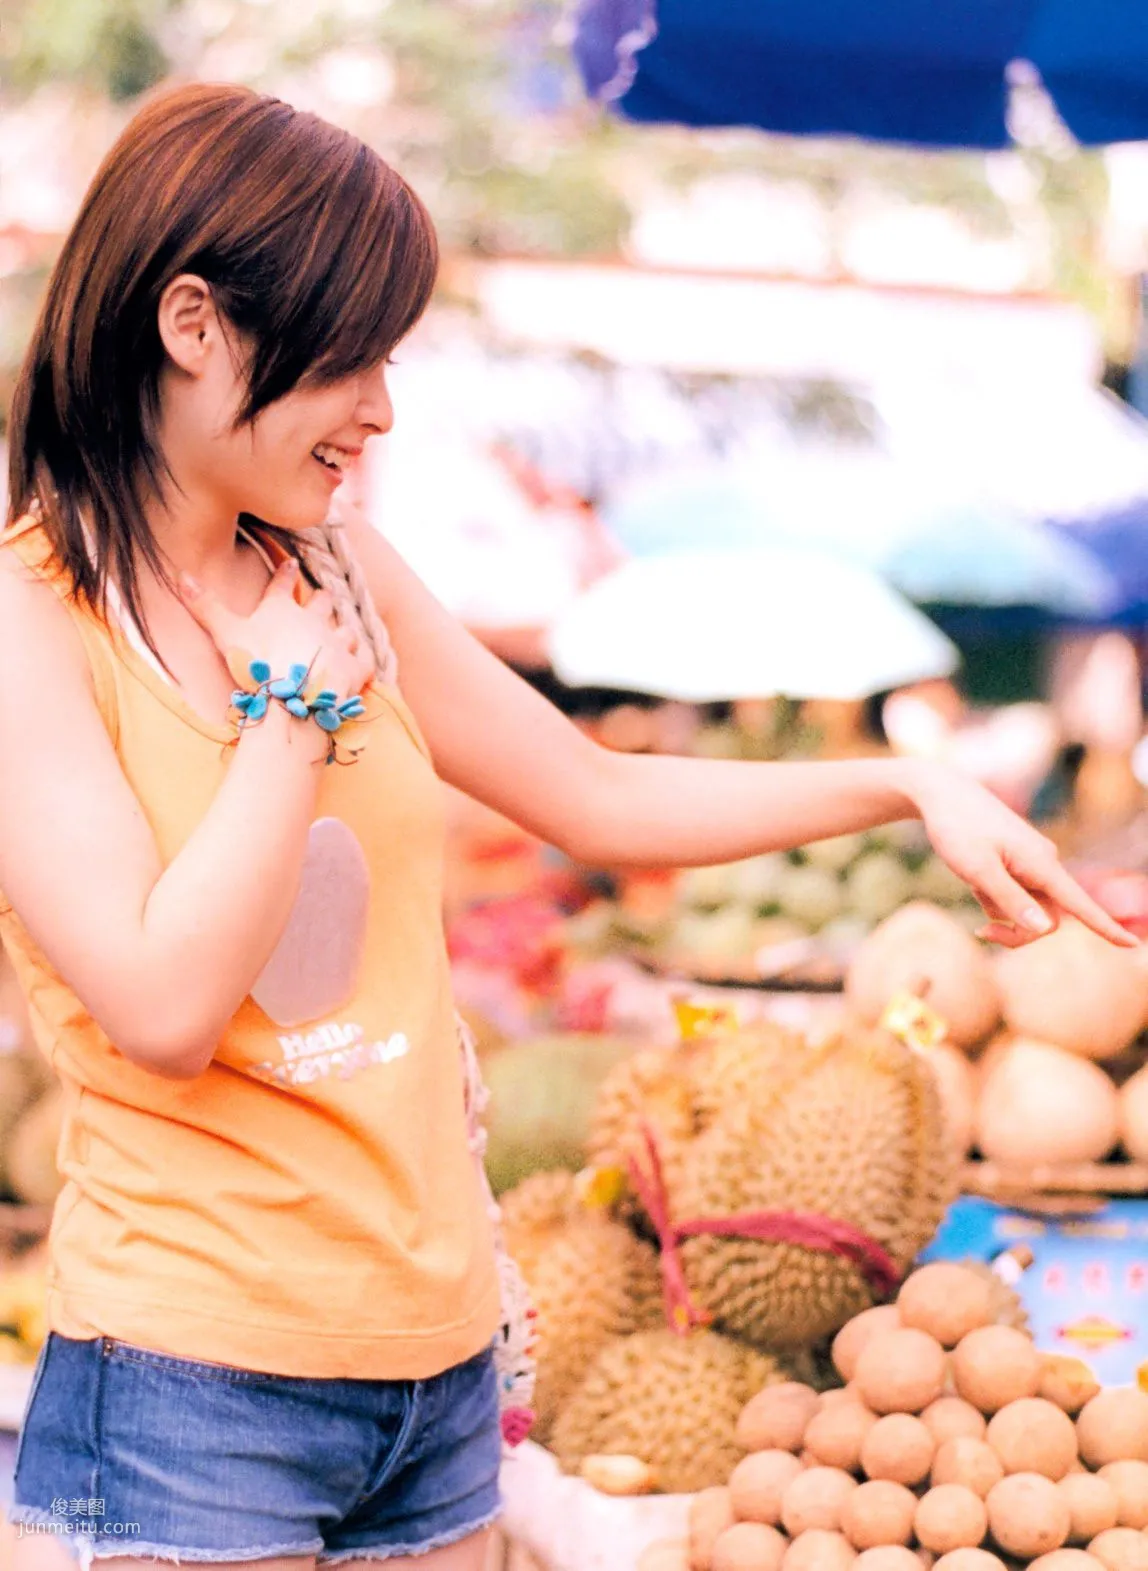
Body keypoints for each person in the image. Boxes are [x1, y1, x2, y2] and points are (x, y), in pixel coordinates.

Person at [0, 81, 1133, 1571]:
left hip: (436, 1368)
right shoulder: (34, 621)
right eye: (350, 356)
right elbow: (158, 1003)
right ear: (193, 322)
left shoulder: (342, 565)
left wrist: (908, 789)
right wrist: (288, 719)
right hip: (197, 1383)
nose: (382, 410)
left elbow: (591, 789)